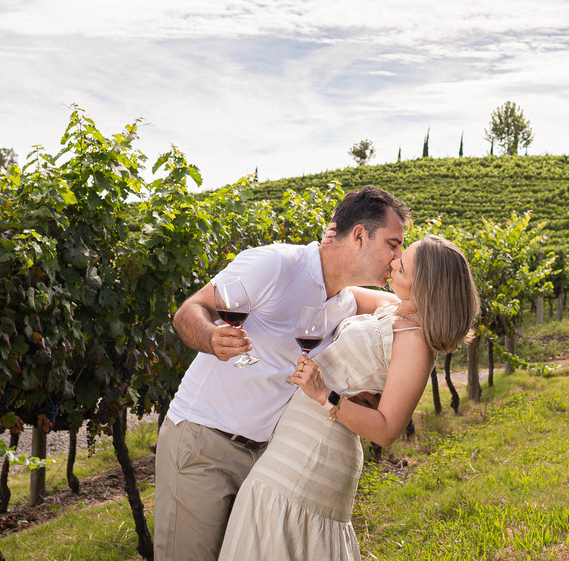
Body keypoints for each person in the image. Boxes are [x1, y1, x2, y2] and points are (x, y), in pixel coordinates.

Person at [154, 185, 411, 561]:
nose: (398, 256)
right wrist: (211, 338)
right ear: (359, 235)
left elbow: (409, 307)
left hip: (264, 457)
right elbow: (189, 311)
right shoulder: (276, 264)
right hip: (204, 442)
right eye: (393, 244)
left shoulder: (346, 300)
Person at [218, 234, 480, 560]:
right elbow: (343, 290)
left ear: (427, 286)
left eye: (403, 265)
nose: (394, 261)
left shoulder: (415, 341)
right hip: (293, 442)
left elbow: (387, 430)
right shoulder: (393, 308)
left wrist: (325, 395)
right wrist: (333, 243)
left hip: (316, 454)